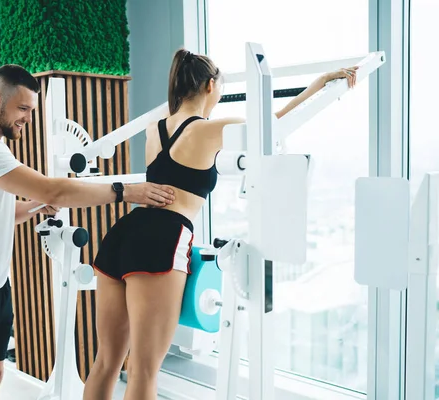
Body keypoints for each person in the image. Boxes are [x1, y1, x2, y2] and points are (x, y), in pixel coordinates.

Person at [83, 49, 358, 400]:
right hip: (163, 240)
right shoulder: (210, 130)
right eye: (220, 90)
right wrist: (319, 84)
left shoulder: (156, 129)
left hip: (123, 235)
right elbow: (271, 124)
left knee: (106, 362)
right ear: (211, 85)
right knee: (143, 371)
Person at [0, 64, 176, 400]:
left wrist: (32, 207)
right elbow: (54, 190)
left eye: (31, 110)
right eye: (23, 109)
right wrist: (125, 191)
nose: (27, 118)